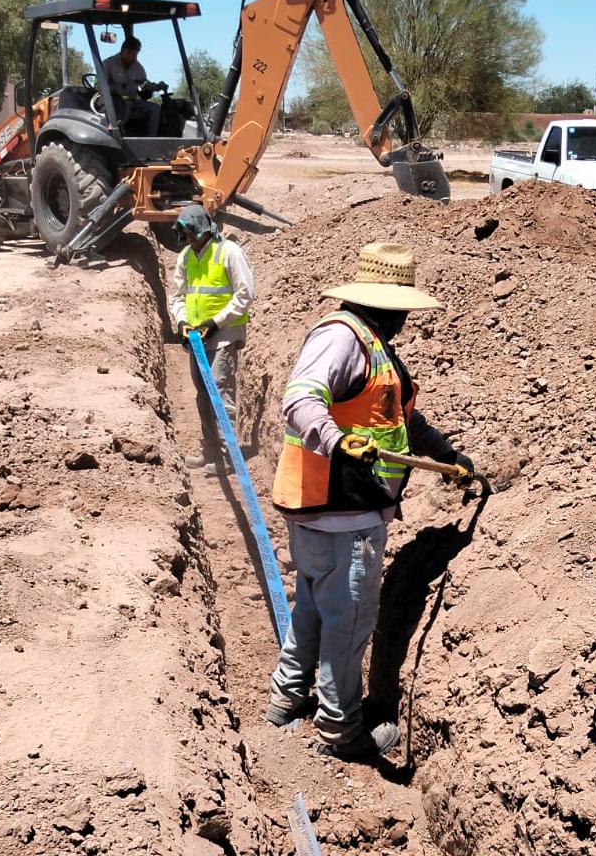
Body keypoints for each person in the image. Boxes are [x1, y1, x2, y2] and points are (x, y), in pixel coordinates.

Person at [265, 242, 474, 761]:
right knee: (351, 620)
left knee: (314, 606)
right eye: (403, 308)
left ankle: (287, 698)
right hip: (344, 513)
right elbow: (299, 399)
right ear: (388, 303)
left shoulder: (370, 344)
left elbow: (395, 418)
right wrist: (337, 441)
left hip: (323, 509)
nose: (406, 318)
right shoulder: (342, 338)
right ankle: (340, 729)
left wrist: (449, 455)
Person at [170, 204, 255, 477]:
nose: (190, 240)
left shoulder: (229, 252)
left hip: (224, 336)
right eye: (186, 235)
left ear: (204, 230)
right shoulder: (185, 257)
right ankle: (210, 451)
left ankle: (229, 458)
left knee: (219, 392)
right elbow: (178, 296)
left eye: (193, 234)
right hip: (197, 338)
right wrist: (182, 322)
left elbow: (245, 295)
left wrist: (215, 323)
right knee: (203, 395)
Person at [104, 36, 165, 135]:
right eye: (133, 54)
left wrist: (157, 86)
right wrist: (115, 88)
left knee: (155, 109)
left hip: (133, 102)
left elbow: (145, 83)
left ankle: (152, 140)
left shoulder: (137, 67)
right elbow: (97, 86)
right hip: (114, 104)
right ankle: (118, 136)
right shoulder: (108, 64)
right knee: (123, 106)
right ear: (125, 50)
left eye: (136, 54)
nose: (135, 57)